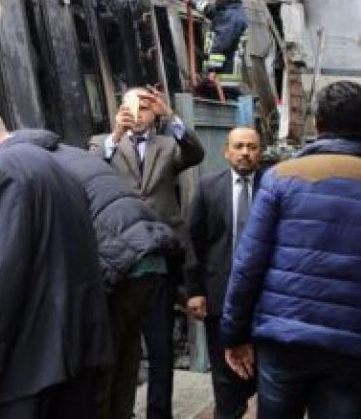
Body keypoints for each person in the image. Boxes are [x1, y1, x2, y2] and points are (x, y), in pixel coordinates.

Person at [0, 103, 110, 418]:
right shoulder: (57, 167)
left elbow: (2, 273)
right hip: (73, 353)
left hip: (27, 368)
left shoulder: (0, 170)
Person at [221, 81, 361, 418]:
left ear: (317, 123)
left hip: (285, 336)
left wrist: (234, 333)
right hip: (350, 345)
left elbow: (248, 263)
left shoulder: (281, 177)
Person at [18, 130, 178, 419]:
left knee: (101, 366)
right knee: (126, 356)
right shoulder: (72, 154)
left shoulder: (35, 168)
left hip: (123, 261)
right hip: (150, 256)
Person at [93, 86, 204, 419]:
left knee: (160, 347)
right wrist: (117, 132)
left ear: (155, 113)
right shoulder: (102, 144)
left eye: (146, 108)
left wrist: (170, 115)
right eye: (133, 107)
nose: (139, 113)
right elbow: (88, 170)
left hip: (160, 256)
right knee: (118, 347)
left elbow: (195, 153)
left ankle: (160, 414)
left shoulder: (168, 145)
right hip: (117, 258)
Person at [184, 126, 263, 419]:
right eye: (239, 146)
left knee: (264, 374)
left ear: (261, 152)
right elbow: (193, 241)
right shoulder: (208, 187)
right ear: (226, 151)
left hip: (264, 300)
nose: (245, 152)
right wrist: (194, 291)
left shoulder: (272, 185)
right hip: (220, 298)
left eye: (252, 147)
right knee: (225, 377)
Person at [198, 0, 249, 95]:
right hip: (224, 76)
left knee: (220, 110)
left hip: (223, 78)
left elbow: (221, 45)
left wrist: (212, 69)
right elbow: (212, 11)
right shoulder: (230, 12)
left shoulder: (232, 18)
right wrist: (193, 3)